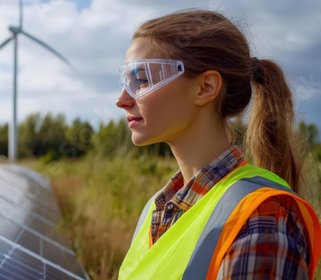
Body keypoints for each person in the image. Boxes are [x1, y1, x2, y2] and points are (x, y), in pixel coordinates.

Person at [115, 9, 321, 279]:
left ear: (205, 88)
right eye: (126, 81)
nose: (122, 99)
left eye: (141, 80)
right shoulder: (155, 210)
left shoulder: (260, 220)